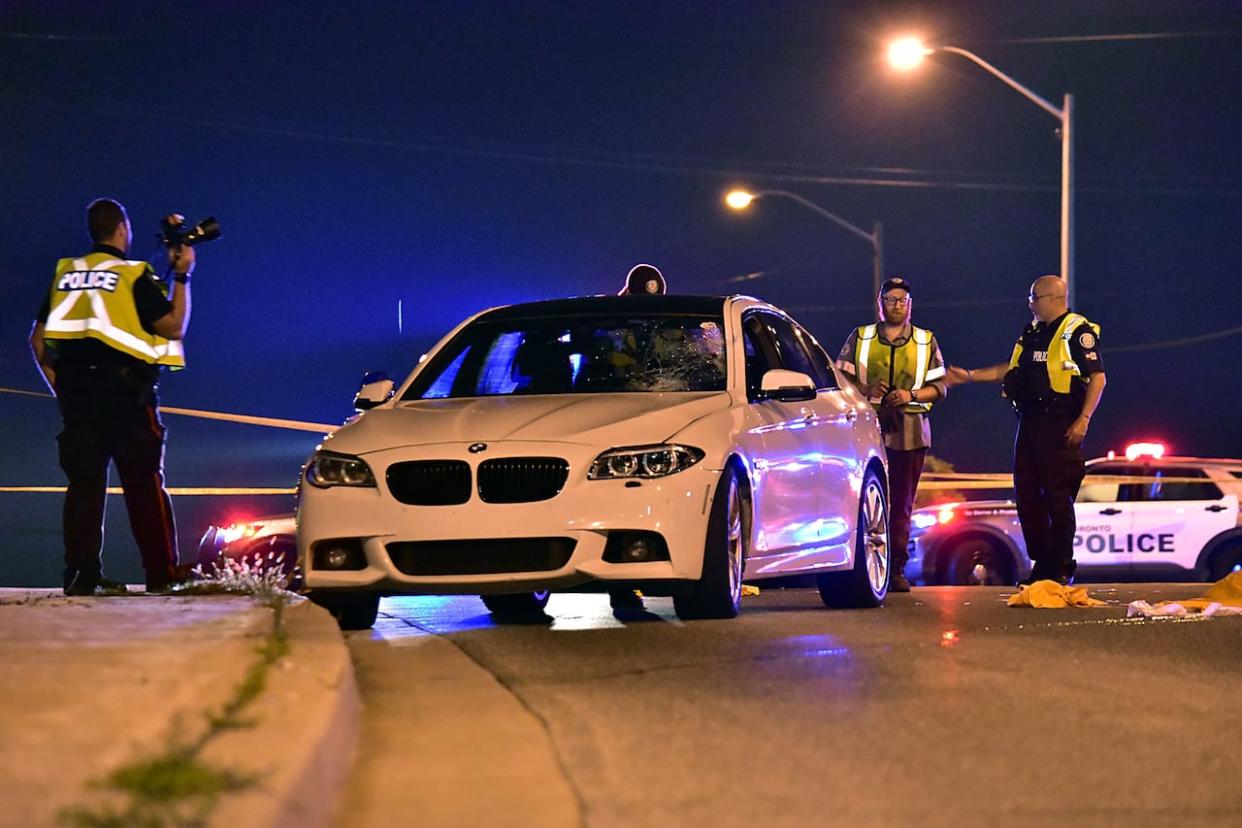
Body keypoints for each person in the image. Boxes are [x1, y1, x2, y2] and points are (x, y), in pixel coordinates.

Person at [28, 198, 196, 595]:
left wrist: (62, 388)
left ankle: (81, 577)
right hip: (126, 397)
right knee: (144, 485)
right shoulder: (132, 274)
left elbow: (37, 342)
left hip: (77, 398)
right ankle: (161, 573)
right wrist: (183, 277)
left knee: (84, 487)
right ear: (123, 228)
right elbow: (172, 327)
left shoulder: (65, 273)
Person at [945, 275, 1106, 586]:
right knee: (1027, 495)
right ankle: (1042, 564)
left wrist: (1084, 419)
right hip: (1029, 423)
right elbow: (1011, 368)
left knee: (1057, 498)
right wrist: (969, 376)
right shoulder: (1032, 334)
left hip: (1060, 424)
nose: (1029, 302)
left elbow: (1097, 378)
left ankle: (1060, 566)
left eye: (1033, 297)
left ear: (1051, 298)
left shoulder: (1077, 332)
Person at [836, 277, 948, 592]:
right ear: (880, 303)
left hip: (909, 432)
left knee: (900, 504)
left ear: (910, 305)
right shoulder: (861, 337)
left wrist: (910, 395)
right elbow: (839, 378)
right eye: (890, 300)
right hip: (866, 430)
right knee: (860, 500)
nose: (896, 306)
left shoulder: (926, 341)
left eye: (902, 300)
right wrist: (866, 390)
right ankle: (857, 567)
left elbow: (940, 387)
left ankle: (894, 568)